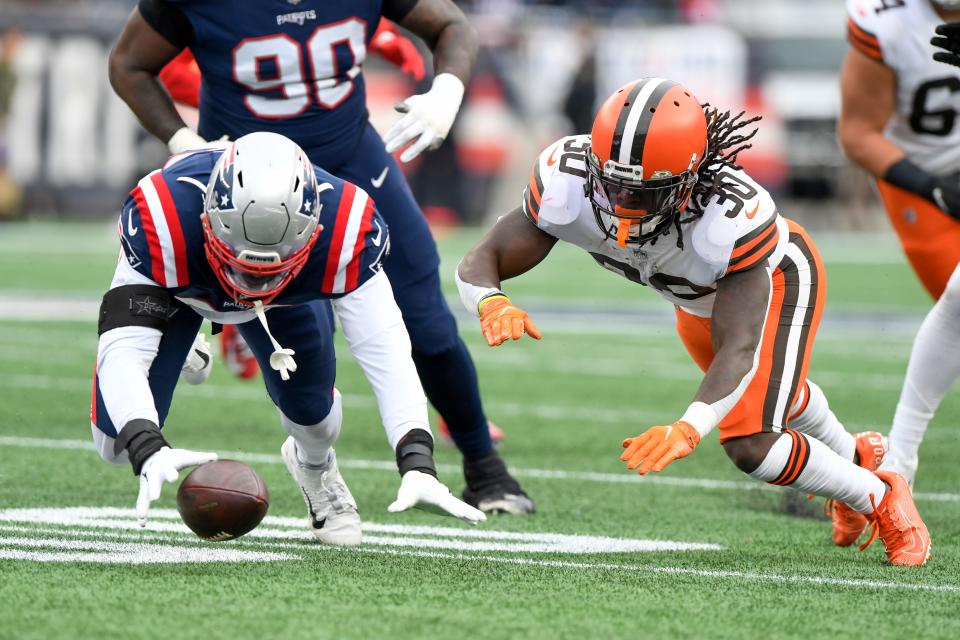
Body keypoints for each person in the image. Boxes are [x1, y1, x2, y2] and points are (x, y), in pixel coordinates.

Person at [455, 78, 931, 566]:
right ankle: (857, 458)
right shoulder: (567, 181)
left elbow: (740, 351)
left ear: (689, 179)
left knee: (750, 442)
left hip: (775, 282)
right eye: (612, 183)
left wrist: (688, 427)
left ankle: (880, 495)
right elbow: (481, 258)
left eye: (643, 192)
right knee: (768, 395)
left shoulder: (728, 218)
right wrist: (491, 302)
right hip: (692, 301)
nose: (621, 204)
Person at [107, 0, 532, 514]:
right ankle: (214, 312)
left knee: (429, 328)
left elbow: (450, 24)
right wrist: (184, 140)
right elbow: (129, 63)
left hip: (350, 167)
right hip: (240, 187)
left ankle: (484, 467)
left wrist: (448, 89)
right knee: (289, 346)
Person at [91, 132, 485, 544]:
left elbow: (385, 346)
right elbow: (122, 348)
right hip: (181, 287)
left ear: (312, 231)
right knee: (117, 445)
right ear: (208, 219)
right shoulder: (163, 216)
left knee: (314, 417)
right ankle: (181, 334)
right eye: (242, 267)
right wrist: (147, 446)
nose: (252, 285)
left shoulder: (346, 228)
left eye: (268, 271)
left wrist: (417, 461)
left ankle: (315, 469)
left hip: (284, 301)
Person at [839, 0, 960, 486]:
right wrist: (928, 186)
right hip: (922, 179)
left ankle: (895, 459)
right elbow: (857, 133)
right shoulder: (884, 18)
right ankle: (894, 459)